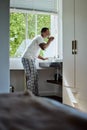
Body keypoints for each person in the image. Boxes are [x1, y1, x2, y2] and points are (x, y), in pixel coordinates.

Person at [22, 27, 54, 96]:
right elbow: (43, 47)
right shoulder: (39, 37)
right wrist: (50, 41)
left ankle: (35, 95)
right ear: (43, 32)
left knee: (35, 77)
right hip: (27, 58)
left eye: (49, 33)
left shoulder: (40, 39)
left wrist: (43, 58)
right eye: (47, 32)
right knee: (32, 77)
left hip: (29, 58)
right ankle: (30, 96)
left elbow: (35, 52)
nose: (49, 34)